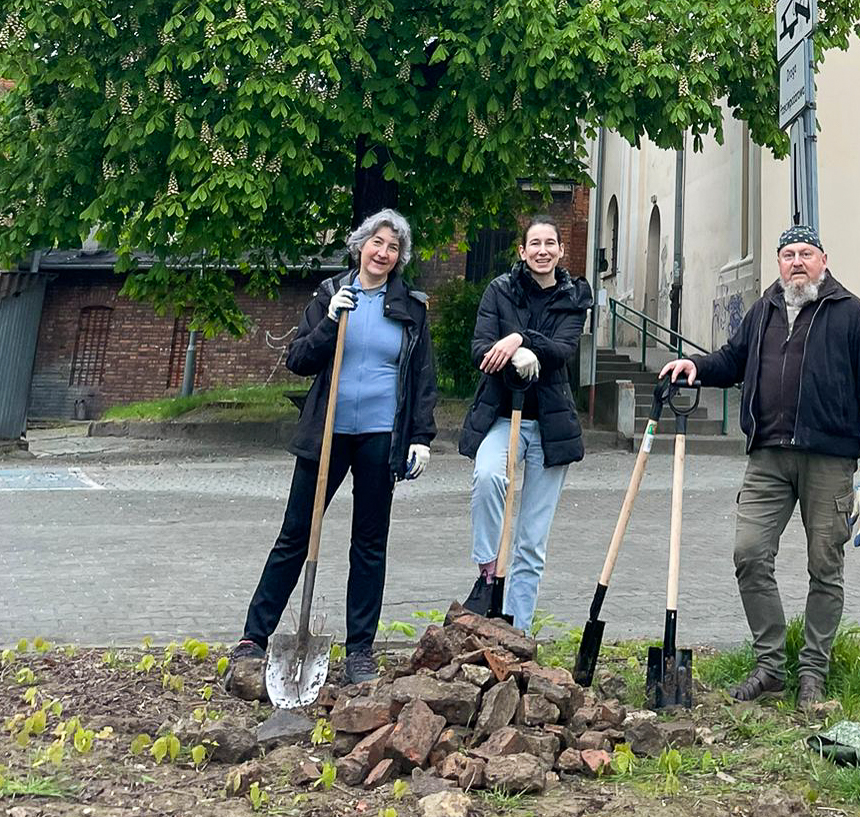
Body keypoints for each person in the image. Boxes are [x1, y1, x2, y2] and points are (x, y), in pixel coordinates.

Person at [659, 225, 860, 707]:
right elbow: (732, 360)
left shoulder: (850, 313)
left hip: (829, 458)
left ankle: (814, 673)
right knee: (749, 553)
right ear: (779, 263)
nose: (797, 262)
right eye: (788, 255)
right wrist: (695, 367)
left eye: (806, 253)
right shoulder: (764, 309)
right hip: (768, 454)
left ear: (824, 260)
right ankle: (771, 666)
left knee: (824, 566)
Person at [227, 208, 437, 689]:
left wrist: (421, 438)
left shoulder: (412, 307)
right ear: (360, 245)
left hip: (380, 437)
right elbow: (298, 359)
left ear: (400, 257)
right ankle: (253, 638)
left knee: (369, 544)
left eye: (393, 247)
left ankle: (359, 649)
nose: (383, 253)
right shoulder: (329, 294)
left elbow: (424, 378)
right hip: (327, 434)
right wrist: (329, 321)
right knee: (295, 535)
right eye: (376, 243)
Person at [458, 215, 593, 632]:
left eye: (550, 243)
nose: (542, 250)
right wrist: (507, 351)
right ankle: (487, 568)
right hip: (503, 415)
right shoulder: (500, 290)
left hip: (549, 429)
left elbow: (563, 349)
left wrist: (519, 340)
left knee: (531, 542)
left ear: (560, 250)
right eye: (534, 243)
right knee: (487, 477)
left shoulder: (573, 297)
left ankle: (518, 630)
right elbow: (481, 347)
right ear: (522, 250)